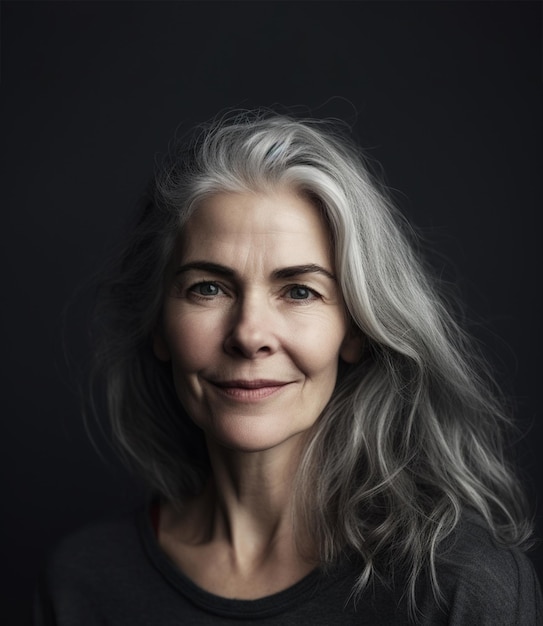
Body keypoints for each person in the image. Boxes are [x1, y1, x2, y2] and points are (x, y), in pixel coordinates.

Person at [35, 110, 542, 624]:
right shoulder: (84, 580)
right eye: (208, 287)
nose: (250, 334)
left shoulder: (457, 584)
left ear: (357, 330)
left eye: (300, 291)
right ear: (159, 325)